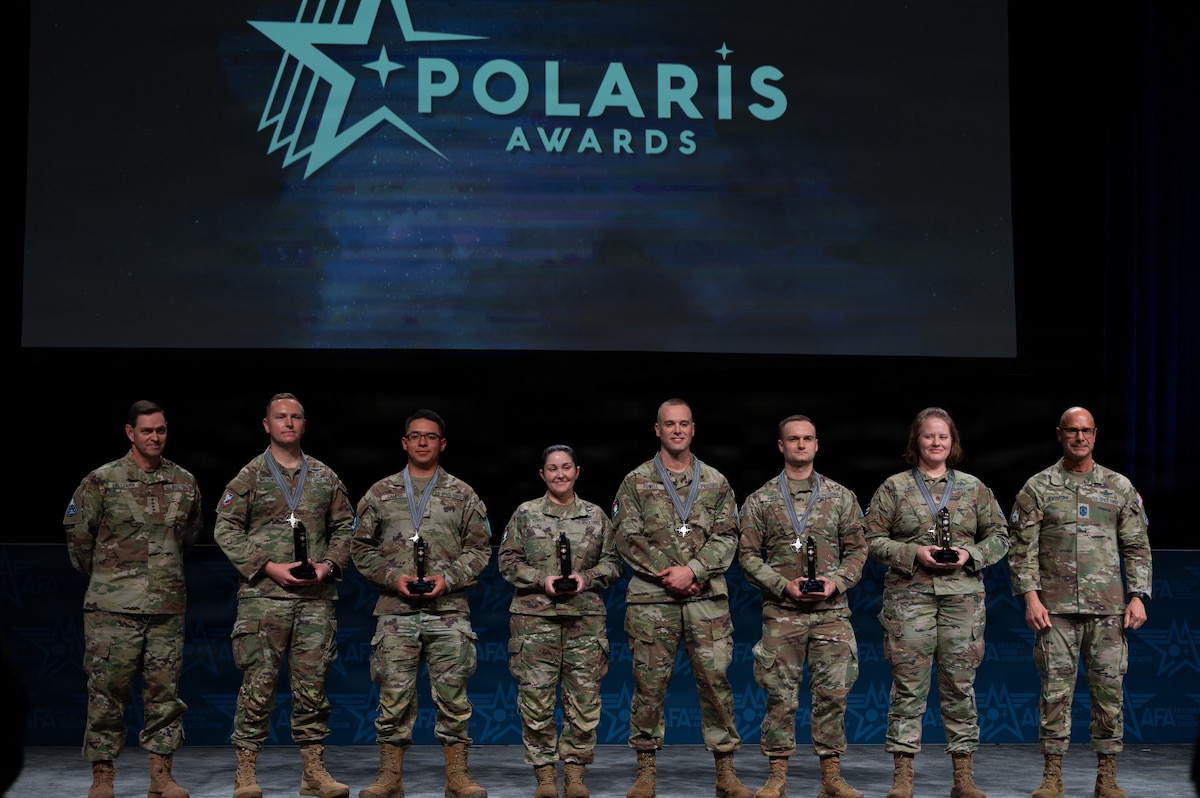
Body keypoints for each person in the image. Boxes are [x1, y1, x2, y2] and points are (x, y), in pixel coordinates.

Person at [214, 393, 355, 798]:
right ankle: (246, 772)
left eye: (295, 417)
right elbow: (225, 527)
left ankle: (313, 772)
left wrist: (328, 565)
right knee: (258, 685)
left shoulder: (326, 478)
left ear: (304, 425)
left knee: (312, 686)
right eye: (280, 417)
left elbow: (346, 529)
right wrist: (269, 567)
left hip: (315, 599)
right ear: (266, 425)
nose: (288, 423)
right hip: (264, 599)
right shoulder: (250, 476)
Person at [863, 407, 1009, 798]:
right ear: (917, 442)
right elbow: (870, 539)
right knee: (908, 688)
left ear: (952, 442)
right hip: (910, 600)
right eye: (928, 436)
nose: (936, 442)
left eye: (943, 436)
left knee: (960, 686)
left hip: (962, 600)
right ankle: (903, 777)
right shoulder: (894, 488)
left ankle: (962, 777)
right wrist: (913, 553)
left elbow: (1000, 535)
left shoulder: (974, 488)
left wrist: (970, 555)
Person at [613, 398, 753, 798]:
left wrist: (693, 570)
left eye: (684, 424)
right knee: (649, 686)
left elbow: (728, 534)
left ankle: (726, 771)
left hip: (705, 598)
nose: (677, 430)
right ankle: (645, 770)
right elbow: (626, 536)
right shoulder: (635, 481)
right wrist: (670, 572)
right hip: (651, 600)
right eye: (669, 424)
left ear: (693, 429)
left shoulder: (716, 481)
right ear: (656, 430)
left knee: (716, 683)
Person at [1009, 406, 1152, 798]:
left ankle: (1107, 774)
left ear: (1095, 434)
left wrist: (1138, 596)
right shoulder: (1038, 487)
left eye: (1086, 431)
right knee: (1055, 693)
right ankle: (1052, 774)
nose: (1079, 437)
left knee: (1109, 692)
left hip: (1108, 609)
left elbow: (1137, 546)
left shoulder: (1118, 486)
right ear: (1059, 434)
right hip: (1054, 611)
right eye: (1072, 431)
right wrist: (1031, 597)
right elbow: (1022, 550)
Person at [65, 400, 202, 798]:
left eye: (160, 430)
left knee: (165, 694)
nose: (155, 437)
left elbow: (188, 537)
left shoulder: (184, 481)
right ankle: (103, 776)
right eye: (147, 431)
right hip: (112, 609)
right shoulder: (102, 480)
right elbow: (79, 537)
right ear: (130, 433)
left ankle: (161, 776)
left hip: (165, 608)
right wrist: (109, 578)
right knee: (106, 694)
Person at [352, 409, 492, 798]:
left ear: (442, 444)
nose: (423, 442)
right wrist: (390, 578)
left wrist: (448, 580)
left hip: (448, 613)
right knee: (393, 696)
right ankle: (389, 777)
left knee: (453, 697)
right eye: (415, 436)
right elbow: (359, 548)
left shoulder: (463, 494)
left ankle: (457, 777)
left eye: (430, 436)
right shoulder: (380, 493)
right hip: (395, 613)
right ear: (404, 442)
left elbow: (480, 550)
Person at [737, 415, 867, 798]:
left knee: (833, 694)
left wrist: (836, 582)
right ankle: (777, 775)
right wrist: (782, 585)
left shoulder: (841, 497)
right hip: (782, 613)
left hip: (831, 613)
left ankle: (831, 777)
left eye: (807, 438)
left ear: (816, 444)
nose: (800, 445)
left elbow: (859, 550)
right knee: (779, 694)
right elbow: (746, 555)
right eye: (793, 439)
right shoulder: (761, 499)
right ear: (781, 446)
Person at [498, 444, 623, 798]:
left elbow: (615, 563)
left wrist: (587, 577)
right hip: (534, 622)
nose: (560, 474)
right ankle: (544, 777)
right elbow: (506, 561)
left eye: (566, 467)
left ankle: (575, 773)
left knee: (584, 700)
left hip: (584, 620)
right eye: (552, 468)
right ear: (542, 474)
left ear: (577, 471)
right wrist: (541, 580)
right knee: (535, 700)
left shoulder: (596, 516)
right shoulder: (525, 514)